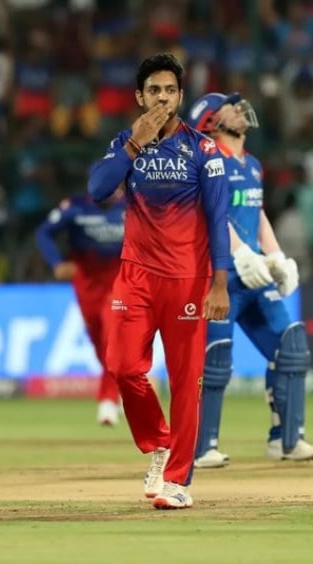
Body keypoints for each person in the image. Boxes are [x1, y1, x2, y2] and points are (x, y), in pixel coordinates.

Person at [87, 53, 230, 510]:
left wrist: (220, 282)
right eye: (154, 90)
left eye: (170, 90)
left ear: (180, 96)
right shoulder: (127, 142)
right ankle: (158, 443)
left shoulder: (204, 150)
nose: (162, 97)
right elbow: (96, 190)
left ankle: (177, 481)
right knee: (123, 365)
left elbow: (218, 216)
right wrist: (133, 146)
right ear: (140, 96)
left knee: (187, 382)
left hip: (189, 280)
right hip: (137, 276)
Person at [187, 92, 313, 469]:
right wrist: (239, 253)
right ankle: (201, 447)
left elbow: (256, 212)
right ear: (211, 122)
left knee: (292, 344)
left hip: (253, 274)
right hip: (218, 276)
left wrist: (275, 255)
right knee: (215, 362)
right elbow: (210, 214)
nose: (239, 109)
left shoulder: (252, 164)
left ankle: (286, 440)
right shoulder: (207, 161)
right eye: (229, 107)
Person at [35, 189, 125, 426]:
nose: (114, 192)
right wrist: (57, 264)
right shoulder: (75, 207)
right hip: (86, 281)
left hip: (119, 278)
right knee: (98, 339)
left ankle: (107, 400)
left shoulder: (134, 205)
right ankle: (124, 385)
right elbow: (44, 233)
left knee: (111, 336)